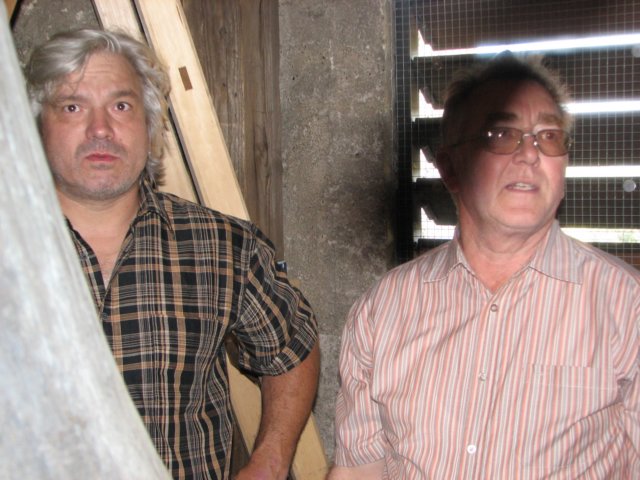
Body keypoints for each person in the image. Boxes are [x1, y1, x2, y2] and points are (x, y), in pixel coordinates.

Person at [25, 28, 320, 480]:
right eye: (72, 107)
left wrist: (270, 460)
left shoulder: (221, 247)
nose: (100, 129)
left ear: (149, 125)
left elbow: (292, 348)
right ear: (36, 126)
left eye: (121, 106)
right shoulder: (12, 246)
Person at [329, 53, 640, 479]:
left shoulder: (627, 306)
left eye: (549, 136)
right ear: (450, 168)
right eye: (501, 134)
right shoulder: (383, 309)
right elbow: (358, 471)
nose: (529, 153)